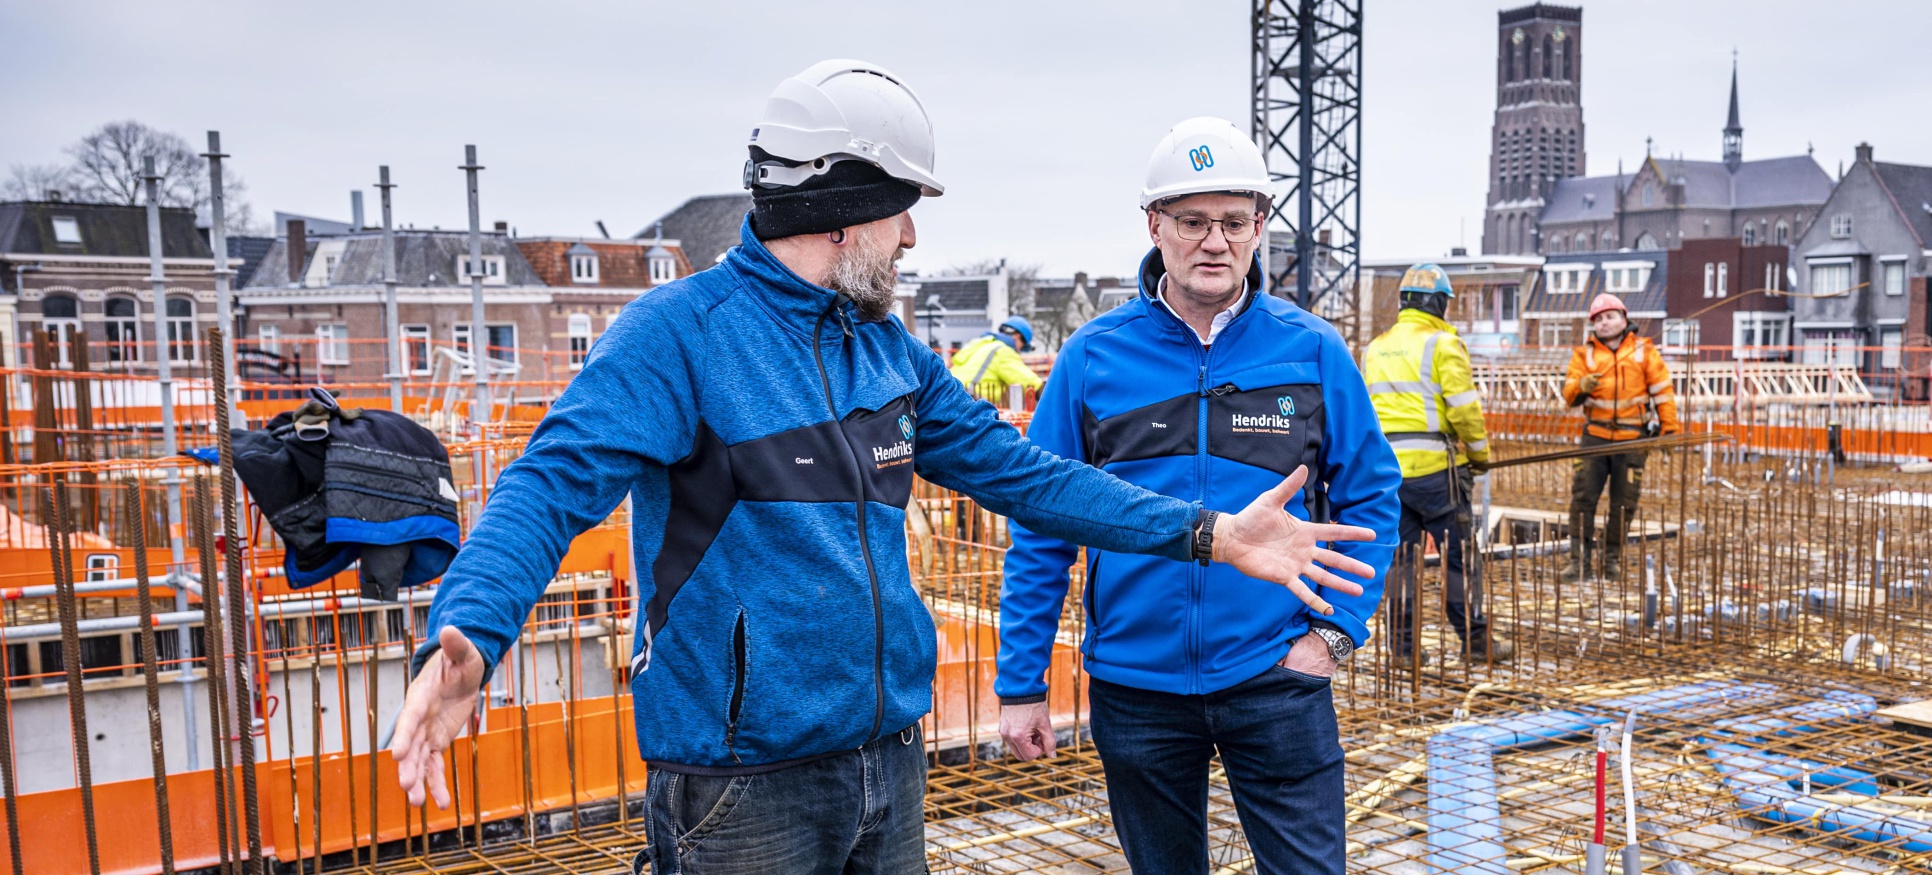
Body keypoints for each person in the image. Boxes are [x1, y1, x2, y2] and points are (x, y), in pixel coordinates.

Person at [385, 65, 1377, 875]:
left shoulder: (888, 352)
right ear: (842, 208)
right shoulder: (681, 339)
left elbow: (1028, 480)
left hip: (887, 767)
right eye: (902, 211)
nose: (912, 237)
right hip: (742, 787)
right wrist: (472, 627)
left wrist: (1209, 533)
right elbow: (548, 484)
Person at [993, 116, 1401, 875]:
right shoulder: (1093, 358)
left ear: (1259, 228)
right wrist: (1022, 682)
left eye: (1233, 221)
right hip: (1136, 689)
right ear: (1155, 225)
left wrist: (1335, 633)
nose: (1213, 241)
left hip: (1276, 675)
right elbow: (1041, 522)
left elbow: (1373, 498)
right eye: (1191, 221)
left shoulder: (1311, 350)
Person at [1361, 262, 1511, 661]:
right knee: (1458, 562)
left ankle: (1403, 649)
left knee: (1402, 564)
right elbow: (1464, 411)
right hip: (1437, 475)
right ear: (1440, 303)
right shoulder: (1442, 344)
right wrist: (1479, 457)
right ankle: (1476, 642)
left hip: (1388, 477)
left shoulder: (1374, 348)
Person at [1562, 292, 1679, 582]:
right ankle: (1579, 563)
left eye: (1610, 316)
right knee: (1582, 500)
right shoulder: (1584, 354)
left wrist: (1669, 429)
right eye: (1599, 319)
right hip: (1595, 437)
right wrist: (1581, 386)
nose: (1604, 323)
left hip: (1632, 439)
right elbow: (1569, 395)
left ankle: (1611, 560)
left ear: (1624, 318)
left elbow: (1663, 392)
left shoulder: (1644, 351)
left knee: (1624, 504)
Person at [948, 315, 1045, 405]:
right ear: (1018, 337)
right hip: (969, 403)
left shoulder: (978, 344)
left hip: (949, 397)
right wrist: (1047, 392)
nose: (1018, 351)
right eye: (1021, 347)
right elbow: (1028, 382)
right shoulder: (1002, 350)